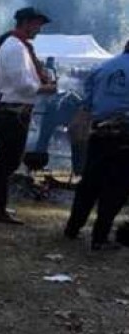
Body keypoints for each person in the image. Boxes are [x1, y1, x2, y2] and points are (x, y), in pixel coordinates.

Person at [0, 7, 56, 225]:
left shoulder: (18, 46)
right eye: (37, 25)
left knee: (5, 162)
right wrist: (46, 89)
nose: (38, 29)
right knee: (8, 162)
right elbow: (24, 85)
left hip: (14, 111)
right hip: (14, 111)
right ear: (25, 23)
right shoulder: (15, 48)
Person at [63, 41, 129, 250]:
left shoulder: (102, 67)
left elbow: (87, 103)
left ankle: (72, 228)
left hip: (99, 133)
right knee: (117, 186)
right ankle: (100, 237)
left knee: (90, 182)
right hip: (125, 135)